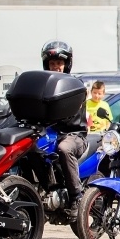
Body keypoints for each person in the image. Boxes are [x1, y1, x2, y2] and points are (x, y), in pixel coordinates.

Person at [41, 40, 88, 219]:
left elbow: (70, 114)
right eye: (52, 63)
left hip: (74, 134)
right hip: (50, 133)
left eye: (59, 63)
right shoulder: (43, 85)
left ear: (66, 64)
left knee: (64, 148)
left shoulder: (75, 84)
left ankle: (77, 196)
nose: (56, 67)